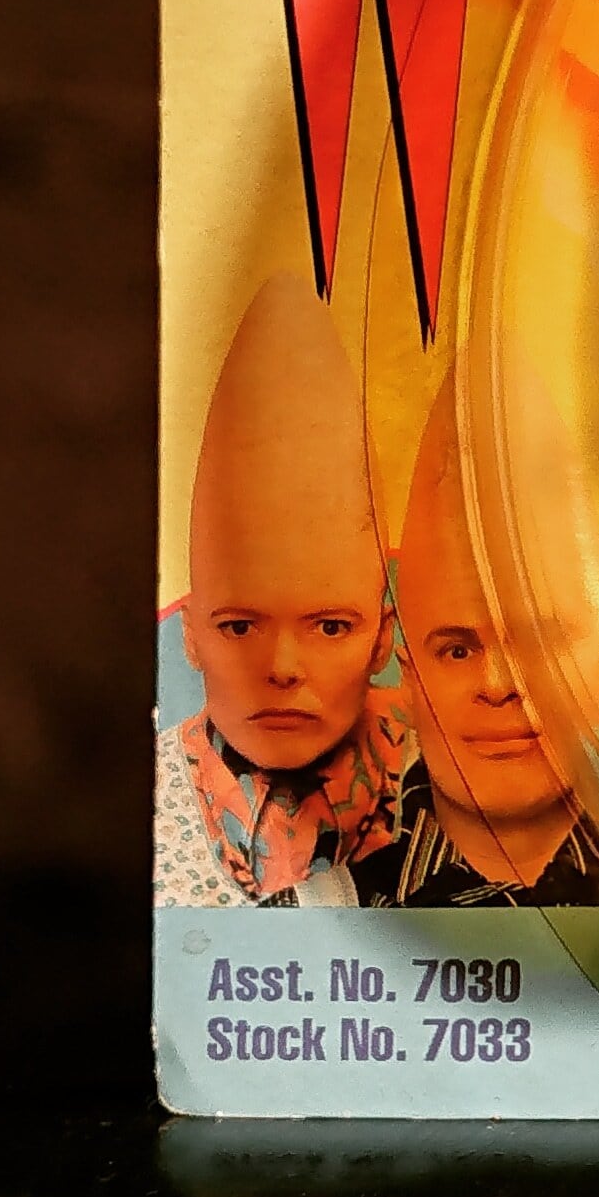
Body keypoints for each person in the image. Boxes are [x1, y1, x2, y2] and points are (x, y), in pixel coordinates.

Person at [155, 273, 407, 907]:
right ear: (191, 634)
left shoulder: (463, 777)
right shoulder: (149, 812)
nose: (283, 668)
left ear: (382, 638)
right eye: (240, 626)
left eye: (331, 627)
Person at [357, 368, 599, 908]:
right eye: (458, 650)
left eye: (538, 645)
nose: (498, 684)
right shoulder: (309, 920)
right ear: (410, 682)